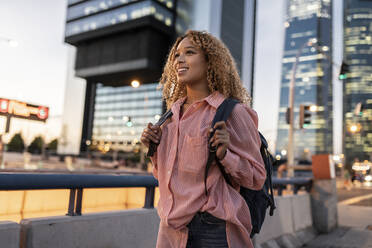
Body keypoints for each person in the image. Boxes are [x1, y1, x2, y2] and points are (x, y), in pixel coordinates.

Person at [140, 30, 266, 248]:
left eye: (189, 52)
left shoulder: (232, 113)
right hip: (171, 226)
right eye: (177, 54)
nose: (179, 59)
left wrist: (225, 155)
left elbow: (256, 177)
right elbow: (167, 176)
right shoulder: (171, 116)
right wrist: (153, 149)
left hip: (213, 227)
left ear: (210, 62)